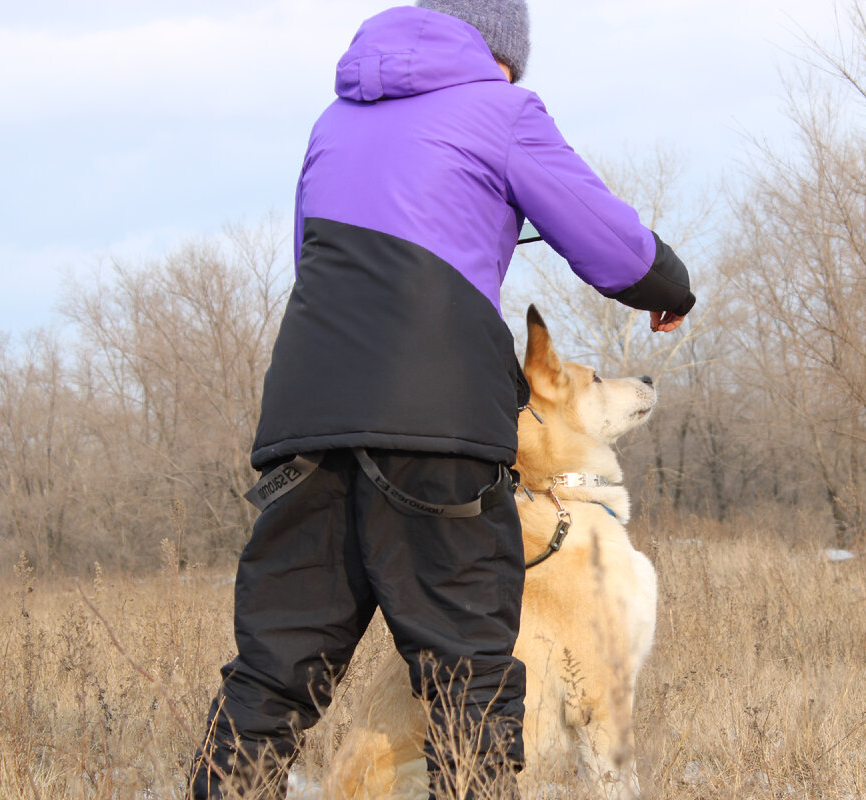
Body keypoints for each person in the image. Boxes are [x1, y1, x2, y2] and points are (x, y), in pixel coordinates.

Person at [189, 1, 695, 798]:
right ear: (502, 50)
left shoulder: (334, 122)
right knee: (467, 669)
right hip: (436, 423)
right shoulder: (500, 110)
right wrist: (668, 284)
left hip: (305, 417)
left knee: (275, 668)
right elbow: (606, 239)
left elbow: (309, 264)